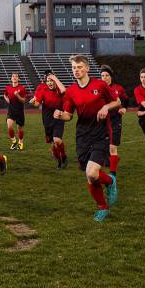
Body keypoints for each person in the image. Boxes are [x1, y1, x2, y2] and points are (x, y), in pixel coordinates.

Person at [57, 55, 121, 222]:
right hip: (82, 136)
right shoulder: (70, 91)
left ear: (87, 68)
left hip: (101, 133)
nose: (76, 70)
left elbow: (117, 102)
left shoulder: (100, 85)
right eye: (73, 68)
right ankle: (103, 206)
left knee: (92, 173)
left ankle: (110, 183)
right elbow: (69, 116)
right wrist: (60, 115)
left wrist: (106, 106)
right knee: (90, 176)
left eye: (79, 67)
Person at [30, 70, 68, 168]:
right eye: (48, 81)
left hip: (59, 115)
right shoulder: (41, 88)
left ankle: (63, 156)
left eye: (52, 80)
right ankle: (59, 162)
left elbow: (64, 90)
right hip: (47, 118)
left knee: (57, 140)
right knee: (53, 144)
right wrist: (32, 102)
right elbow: (37, 104)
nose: (50, 83)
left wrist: (55, 79)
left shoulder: (59, 88)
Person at [99, 64, 129, 176]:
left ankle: (113, 174)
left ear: (111, 76)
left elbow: (126, 100)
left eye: (107, 75)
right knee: (103, 145)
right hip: (102, 121)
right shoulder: (98, 89)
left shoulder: (118, 88)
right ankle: (112, 159)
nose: (105, 77)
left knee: (112, 146)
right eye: (102, 75)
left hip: (115, 120)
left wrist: (124, 108)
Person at [3, 73, 28, 150]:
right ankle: (14, 141)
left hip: (19, 111)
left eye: (16, 76)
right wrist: (7, 99)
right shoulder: (8, 87)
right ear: (11, 79)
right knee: (9, 126)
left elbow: (24, 101)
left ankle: (20, 141)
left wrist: (17, 95)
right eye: (13, 76)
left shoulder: (22, 88)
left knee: (19, 129)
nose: (14, 77)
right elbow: (5, 95)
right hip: (11, 110)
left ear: (18, 79)